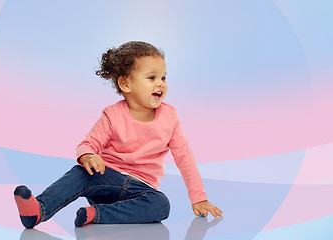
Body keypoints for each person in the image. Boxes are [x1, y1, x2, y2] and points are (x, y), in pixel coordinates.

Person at [14, 41, 223, 229]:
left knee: (161, 205)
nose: (161, 83)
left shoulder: (170, 117)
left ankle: (95, 215)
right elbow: (89, 143)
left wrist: (198, 198)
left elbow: (185, 158)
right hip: (107, 178)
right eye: (152, 78)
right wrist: (88, 156)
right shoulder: (112, 115)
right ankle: (39, 209)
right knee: (80, 173)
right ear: (126, 84)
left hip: (142, 189)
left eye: (163, 77)